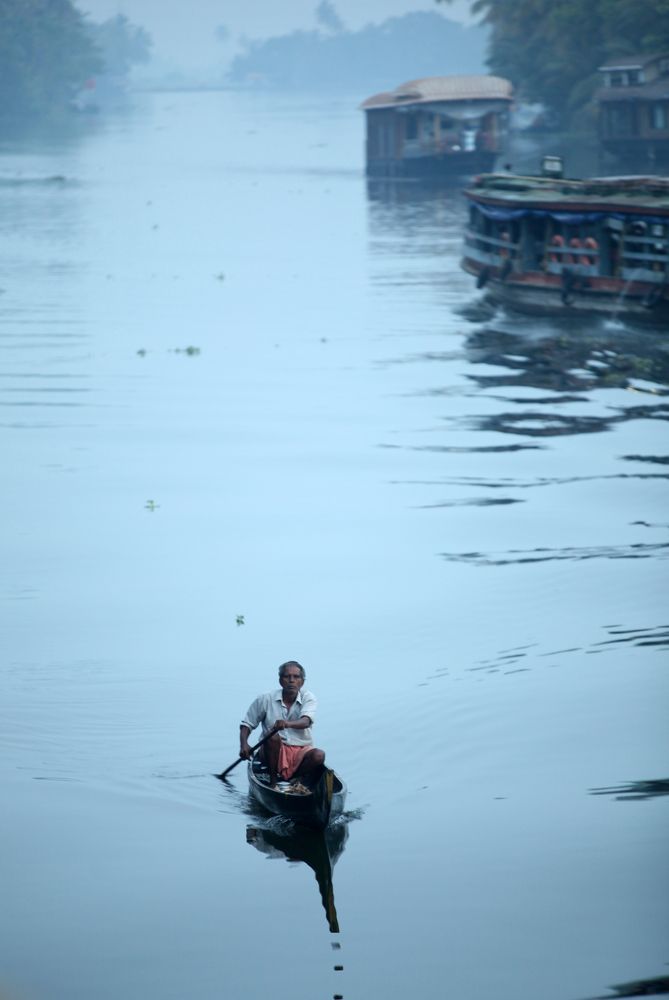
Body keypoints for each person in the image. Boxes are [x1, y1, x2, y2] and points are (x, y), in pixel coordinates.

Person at [239, 661, 325, 788]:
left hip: (300, 750)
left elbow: (306, 722)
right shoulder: (265, 698)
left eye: (296, 677)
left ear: (302, 682)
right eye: (287, 676)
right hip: (271, 751)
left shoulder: (308, 697)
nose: (291, 680)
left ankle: (294, 779)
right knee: (272, 736)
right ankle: (273, 782)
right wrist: (244, 744)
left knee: (318, 755)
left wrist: (286, 723)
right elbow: (247, 724)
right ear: (280, 680)